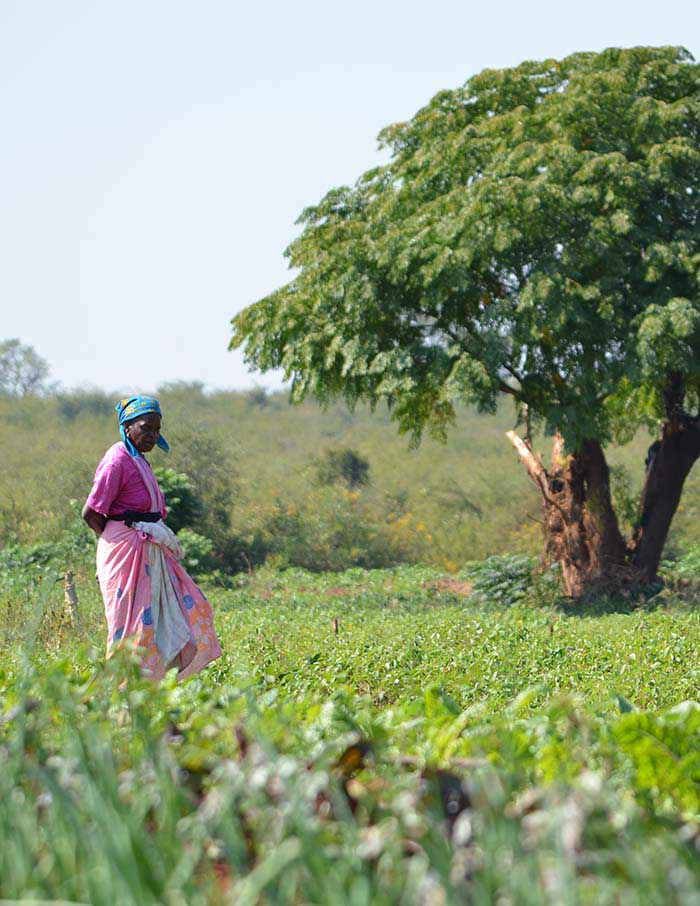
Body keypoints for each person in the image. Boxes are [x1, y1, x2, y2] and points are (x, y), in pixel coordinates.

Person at [82, 395, 221, 681]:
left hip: (149, 549)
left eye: (157, 430)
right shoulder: (117, 459)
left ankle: (156, 686)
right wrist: (116, 541)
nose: (152, 436)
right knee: (132, 627)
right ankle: (123, 695)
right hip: (126, 551)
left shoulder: (139, 461)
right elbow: (92, 512)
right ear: (128, 426)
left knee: (191, 606)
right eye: (146, 428)